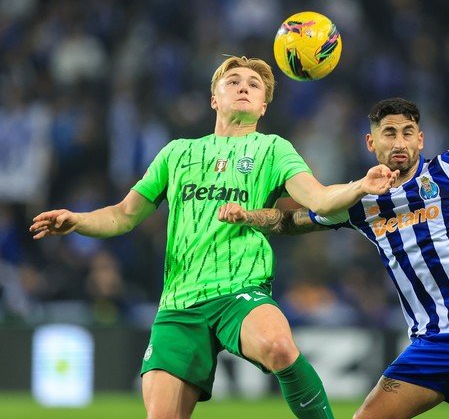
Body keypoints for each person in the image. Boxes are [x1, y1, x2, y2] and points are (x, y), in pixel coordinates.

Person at [29, 55, 399, 419]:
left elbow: (319, 199)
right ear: (214, 99)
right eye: (233, 81)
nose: (244, 86)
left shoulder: (272, 149)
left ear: (263, 106)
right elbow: (123, 215)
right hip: (179, 303)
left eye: (254, 85)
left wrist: (360, 185)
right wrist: (77, 220)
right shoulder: (177, 153)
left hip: (240, 290)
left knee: (279, 346)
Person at [218, 97, 449, 419]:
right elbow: (293, 221)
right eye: (390, 133)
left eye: (408, 132)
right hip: (433, 343)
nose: (400, 142)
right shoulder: (360, 200)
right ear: (371, 142)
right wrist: (249, 216)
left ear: (420, 139)